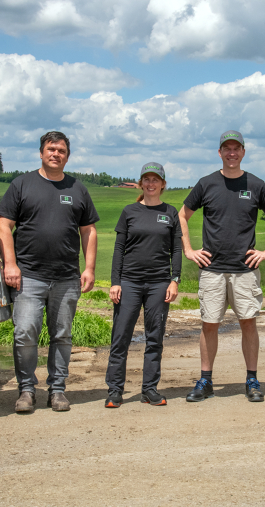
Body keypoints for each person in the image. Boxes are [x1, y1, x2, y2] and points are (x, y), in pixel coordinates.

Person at [0, 131, 99, 414]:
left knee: (62, 335)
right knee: (26, 332)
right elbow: (3, 225)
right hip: (29, 275)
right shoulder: (22, 184)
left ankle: (57, 390)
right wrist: (10, 263)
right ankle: (27, 389)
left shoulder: (77, 189)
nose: (56, 154)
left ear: (68, 155)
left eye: (61, 150)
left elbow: (88, 230)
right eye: (51, 149)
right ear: (41, 153)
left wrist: (89, 268)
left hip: (66, 276)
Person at [180, 130, 265, 403]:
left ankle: (252, 379)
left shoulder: (256, 184)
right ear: (220, 152)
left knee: (248, 323)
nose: (232, 153)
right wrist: (189, 250)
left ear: (243, 152)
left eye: (237, 148)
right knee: (209, 324)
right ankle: (206, 380)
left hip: (245, 270)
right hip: (212, 269)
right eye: (227, 148)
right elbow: (182, 215)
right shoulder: (207, 184)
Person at [104, 162, 182, 408]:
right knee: (120, 337)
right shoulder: (129, 211)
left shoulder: (170, 212)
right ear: (140, 183)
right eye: (146, 179)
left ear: (163, 184)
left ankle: (149, 389)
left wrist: (174, 280)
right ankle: (115, 390)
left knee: (154, 337)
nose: (150, 183)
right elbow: (119, 249)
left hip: (159, 283)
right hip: (130, 282)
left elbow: (177, 249)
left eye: (155, 179)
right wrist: (116, 282)